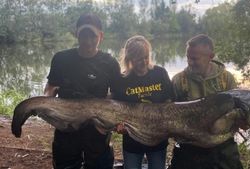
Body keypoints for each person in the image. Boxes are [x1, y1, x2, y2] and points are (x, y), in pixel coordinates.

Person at [44, 13, 120, 169]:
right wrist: (47, 104)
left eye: (92, 36)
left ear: (101, 35)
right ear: (76, 34)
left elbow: (116, 94)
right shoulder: (61, 59)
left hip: (97, 129)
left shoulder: (110, 63)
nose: (88, 41)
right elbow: (51, 87)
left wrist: (112, 114)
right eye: (83, 35)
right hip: (66, 127)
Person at [168, 34, 243, 169]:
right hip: (188, 146)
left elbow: (238, 111)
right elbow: (168, 113)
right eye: (188, 58)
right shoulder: (178, 80)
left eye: (195, 59)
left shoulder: (226, 79)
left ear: (211, 56)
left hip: (222, 146)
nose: (190, 62)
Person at [113, 35, 173, 169]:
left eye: (146, 56)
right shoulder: (122, 80)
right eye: (139, 58)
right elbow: (115, 109)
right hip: (132, 141)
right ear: (129, 59)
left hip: (157, 139)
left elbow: (169, 102)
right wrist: (118, 125)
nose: (144, 61)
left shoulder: (160, 73)